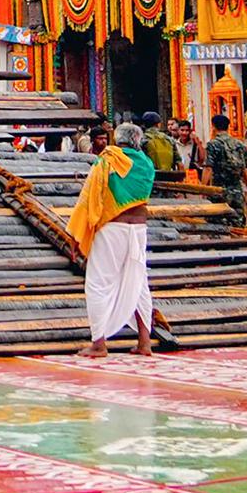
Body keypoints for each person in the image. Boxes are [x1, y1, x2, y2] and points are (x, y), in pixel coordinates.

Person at [72, 121, 159, 357]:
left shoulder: (107, 161)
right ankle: (144, 342)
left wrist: (77, 235)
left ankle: (99, 344)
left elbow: (89, 199)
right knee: (139, 283)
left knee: (98, 284)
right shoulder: (147, 164)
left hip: (112, 228)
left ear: (116, 139)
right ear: (137, 141)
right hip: (139, 228)